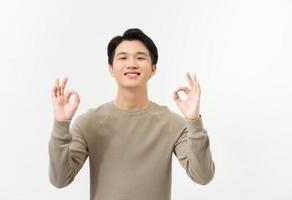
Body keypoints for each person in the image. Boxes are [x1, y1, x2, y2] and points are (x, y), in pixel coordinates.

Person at [48, 28, 215, 200]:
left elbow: (203, 176)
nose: (132, 64)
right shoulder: (88, 123)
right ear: (111, 69)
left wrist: (193, 121)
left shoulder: (173, 124)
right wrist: (61, 123)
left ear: (153, 68)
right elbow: (60, 179)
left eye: (141, 57)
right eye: (123, 57)